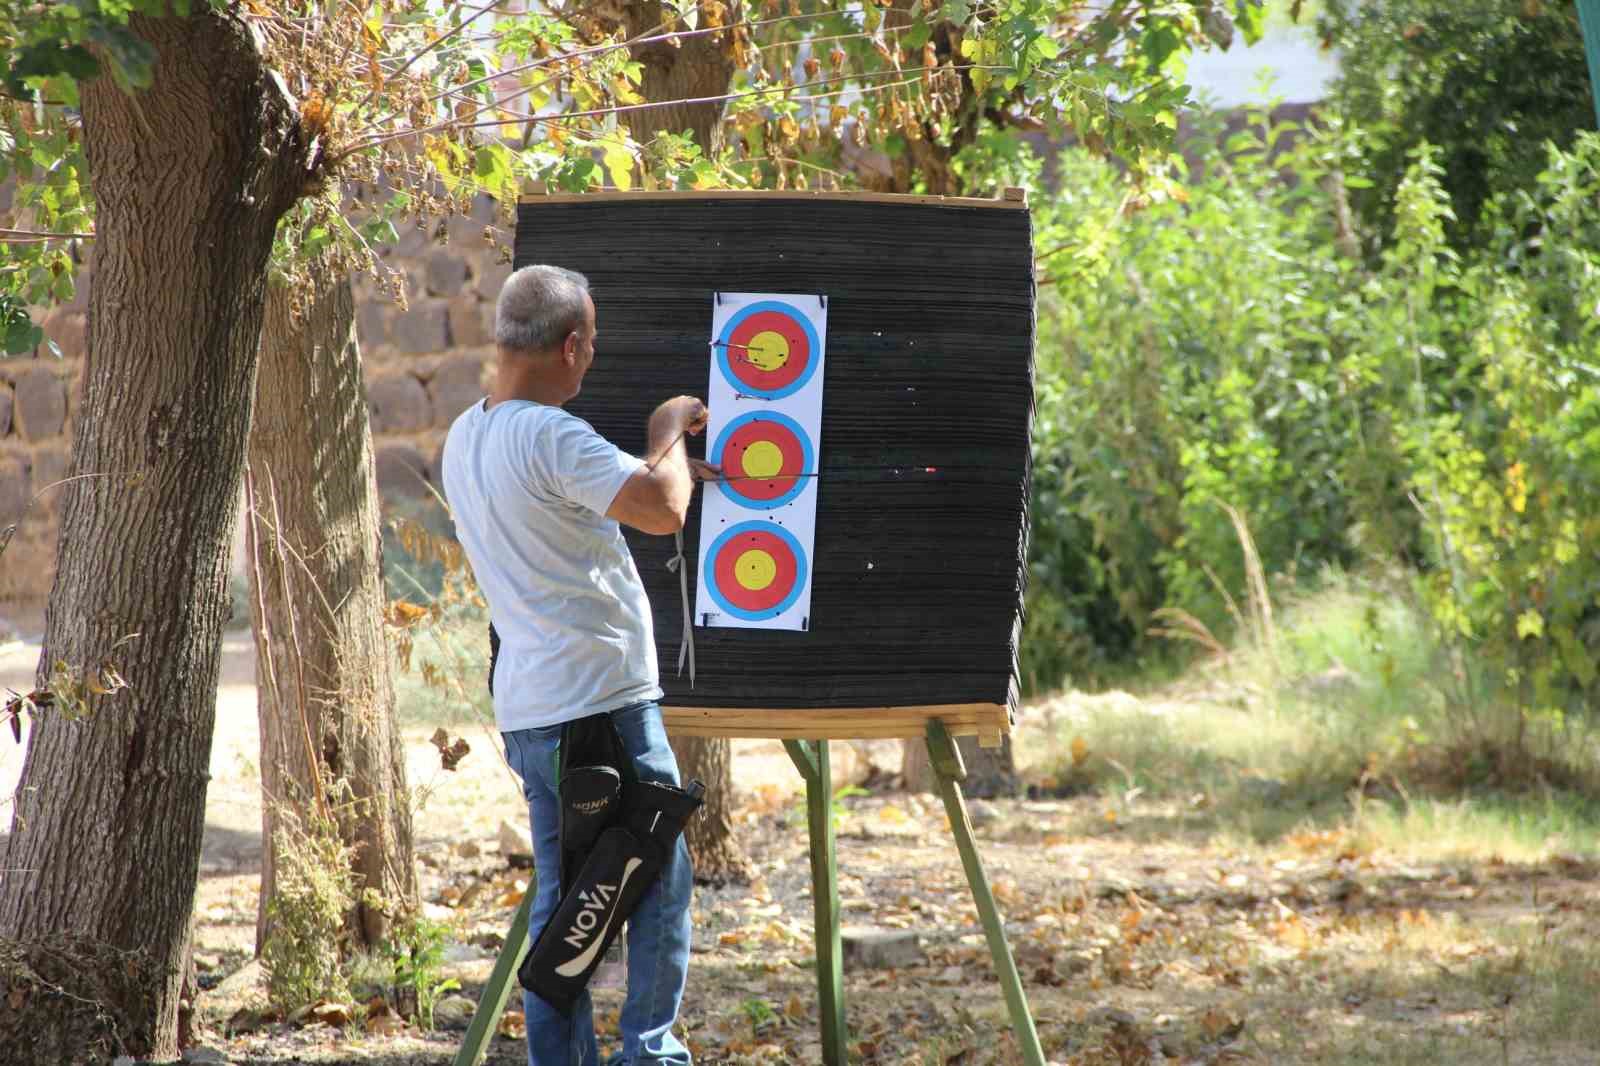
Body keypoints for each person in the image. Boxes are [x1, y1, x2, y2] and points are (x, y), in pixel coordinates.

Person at [441, 264, 711, 1066]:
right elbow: (660, 510)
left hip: (535, 709)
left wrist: (655, 470)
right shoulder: (554, 433)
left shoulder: (467, 433)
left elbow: (574, 497)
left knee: (566, 903)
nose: (591, 357)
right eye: (589, 343)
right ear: (569, 346)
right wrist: (667, 427)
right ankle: (650, 1056)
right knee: (654, 878)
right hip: (600, 708)